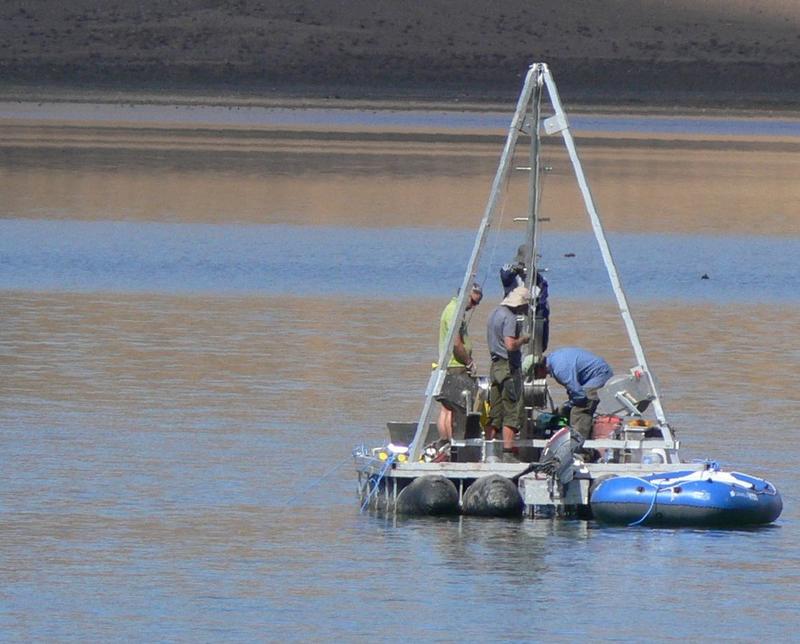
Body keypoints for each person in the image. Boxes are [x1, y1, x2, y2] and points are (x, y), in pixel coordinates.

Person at [485, 285, 531, 462]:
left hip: (495, 366)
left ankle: (489, 452)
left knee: (495, 411)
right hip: (507, 367)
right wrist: (524, 339)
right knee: (512, 409)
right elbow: (510, 345)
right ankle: (507, 453)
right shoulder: (510, 318)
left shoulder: (494, 313)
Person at [436, 283, 483, 440]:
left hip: (451, 365)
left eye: (477, 303)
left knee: (446, 408)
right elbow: (456, 344)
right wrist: (469, 362)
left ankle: (445, 443)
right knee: (454, 408)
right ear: (465, 295)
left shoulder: (454, 309)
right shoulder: (454, 312)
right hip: (455, 366)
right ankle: (451, 443)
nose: (473, 306)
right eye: (473, 301)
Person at [536, 347, 613, 442]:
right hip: (590, 376)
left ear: (540, 368)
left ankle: (578, 449)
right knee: (565, 410)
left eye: (535, 374)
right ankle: (573, 436)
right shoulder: (553, 360)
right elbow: (573, 390)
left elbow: (580, 395)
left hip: (599, 374)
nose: (536, 378)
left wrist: (569, 404)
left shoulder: (559, 370)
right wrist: (566, 407)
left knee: (579, 411)